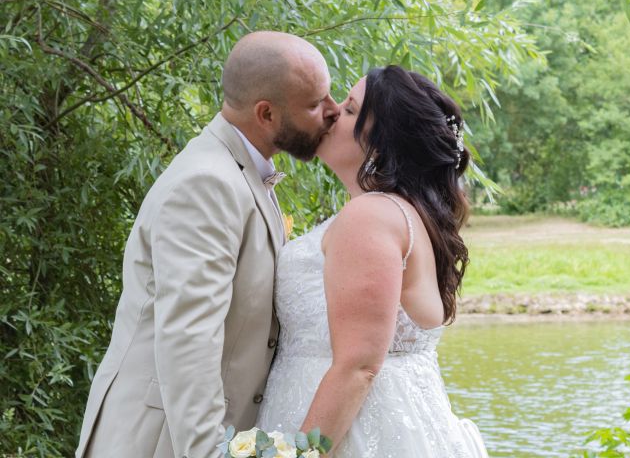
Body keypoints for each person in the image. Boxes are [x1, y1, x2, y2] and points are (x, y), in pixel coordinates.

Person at [75, 31, 339, 458]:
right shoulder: (207, 183)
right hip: (159, 440)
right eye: (314, 104)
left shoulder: (241, 170)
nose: (333, 111)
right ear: (267, 114)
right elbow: (188, 337)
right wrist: (209, 452)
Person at [256, 65, 489, 457]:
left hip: (352, 434)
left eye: (349, 110)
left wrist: (298, 454)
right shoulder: (400, 213)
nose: (331, 113)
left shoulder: (370, 216)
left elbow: (358, 367)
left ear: (381, 143)